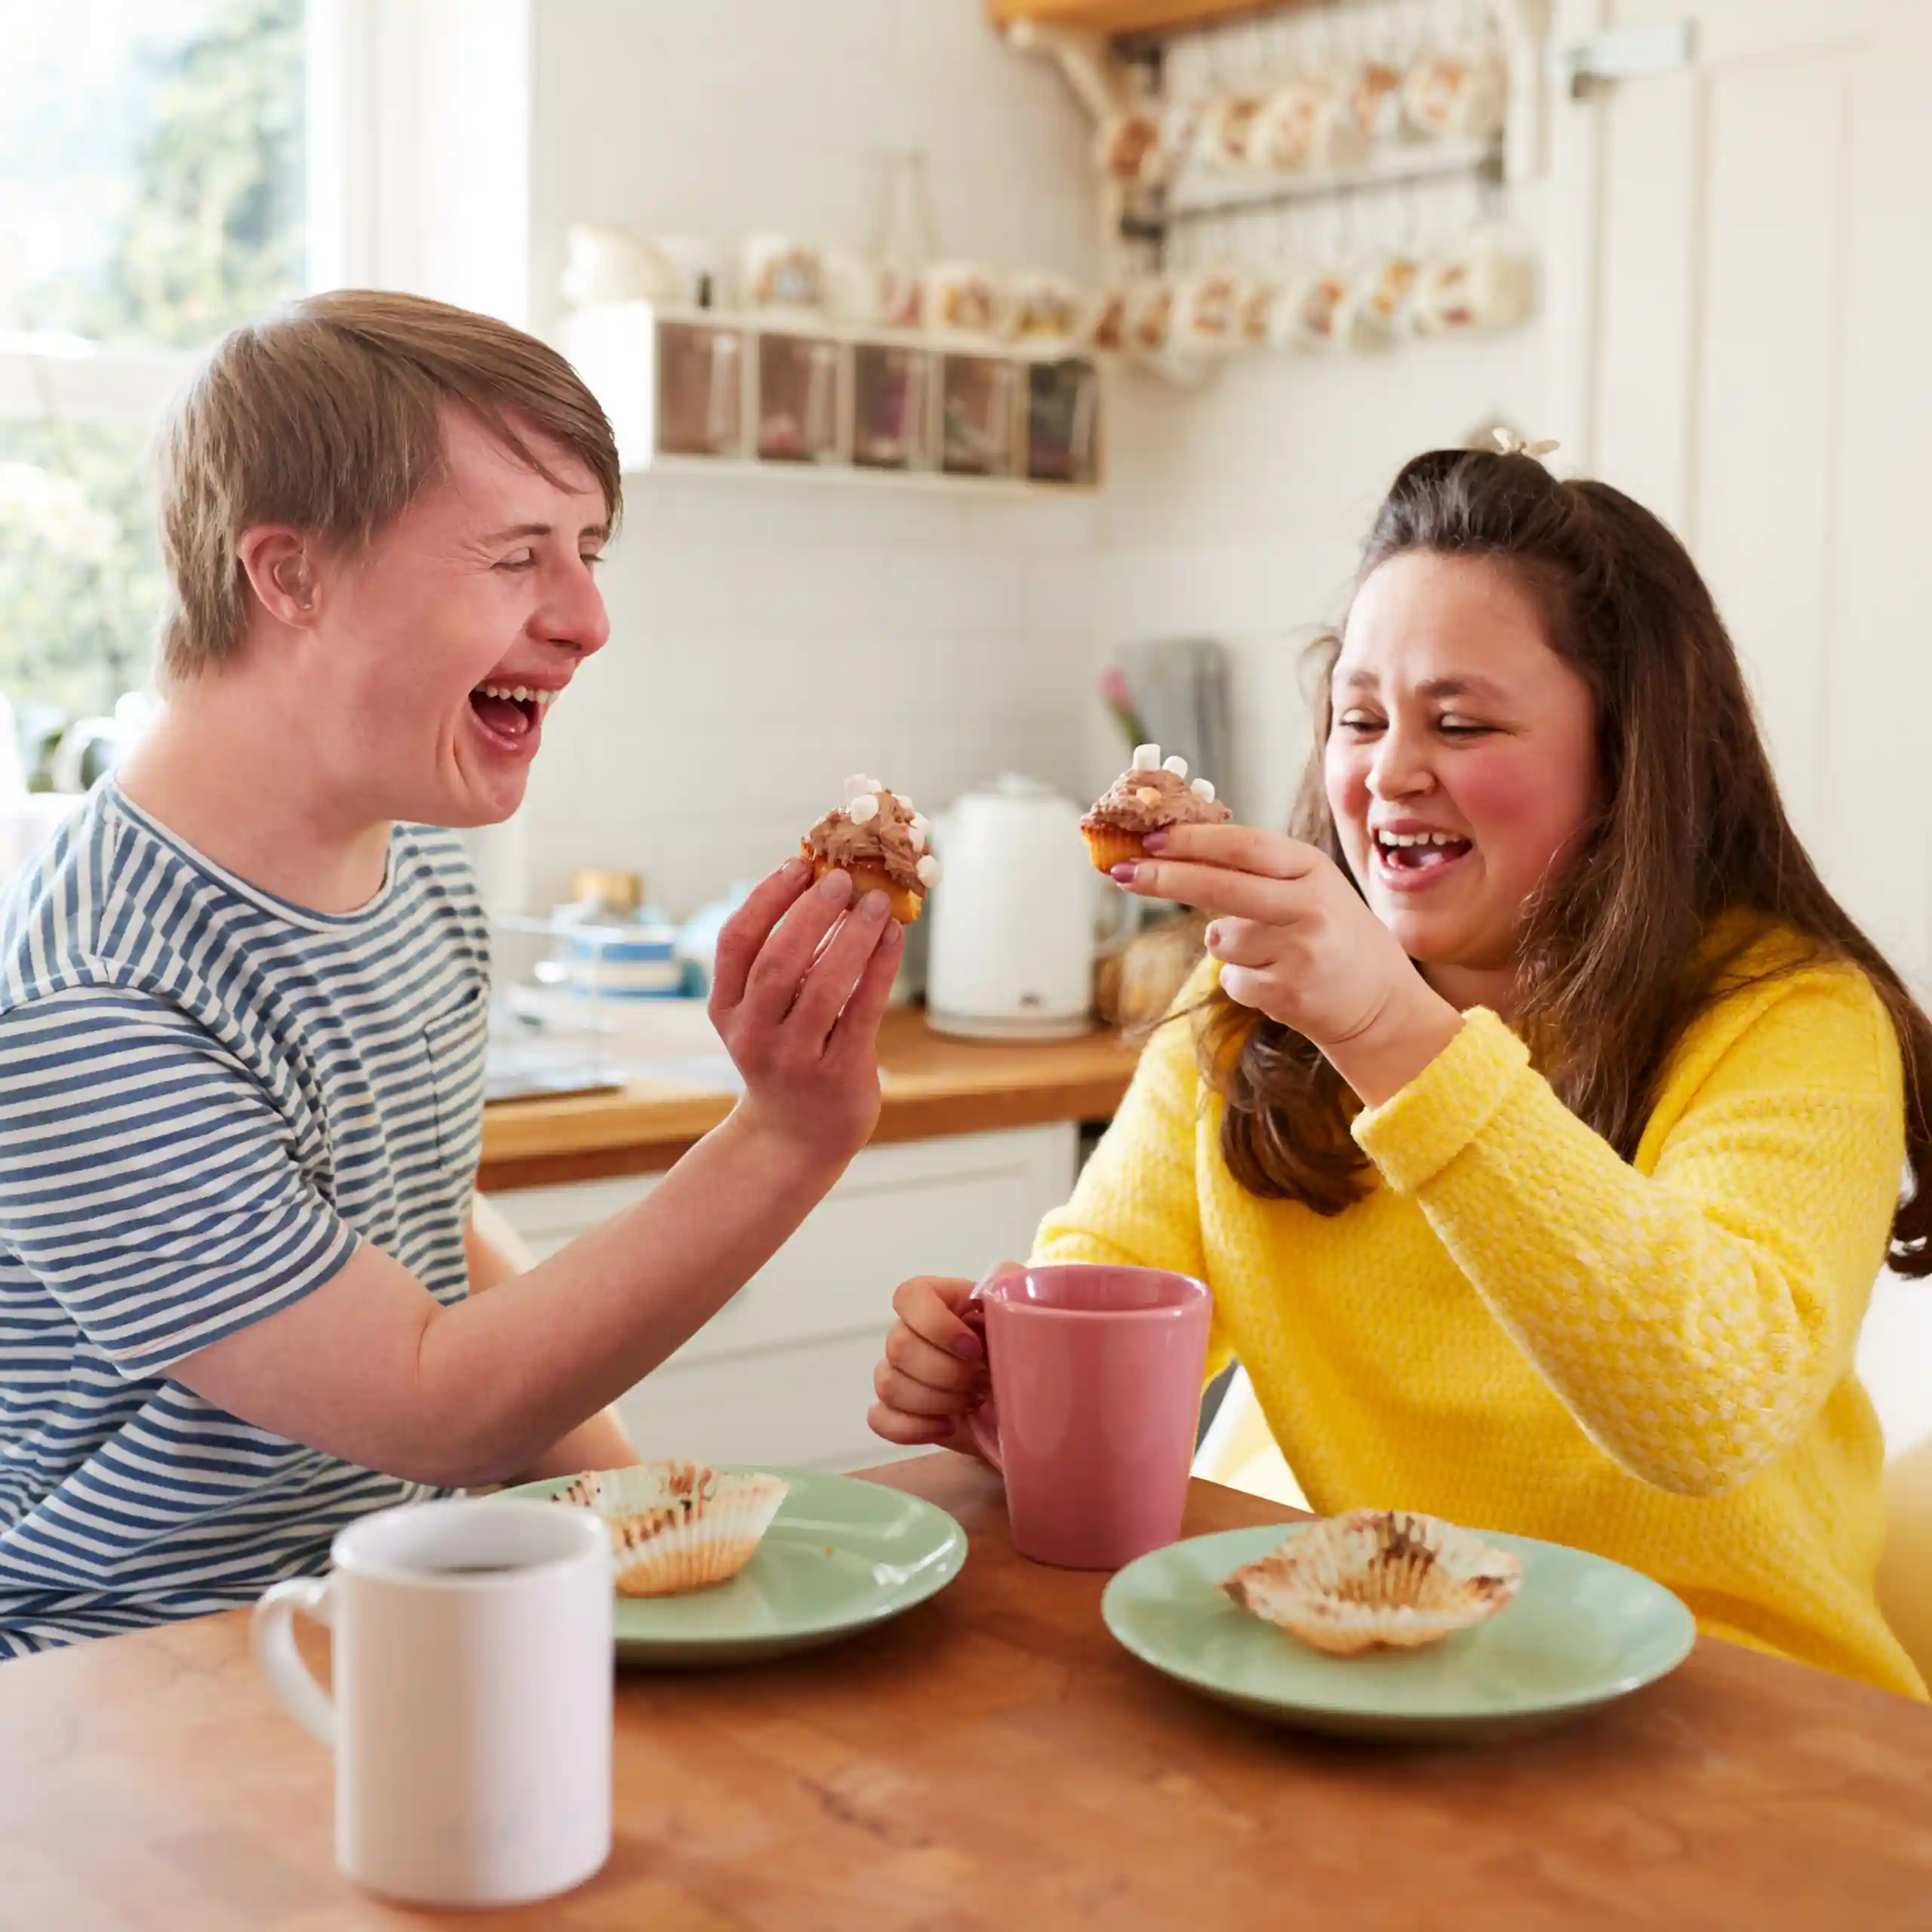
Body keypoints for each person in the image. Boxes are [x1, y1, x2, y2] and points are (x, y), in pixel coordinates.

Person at [869, 442, 1930, 1700]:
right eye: (1361, 718)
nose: (1386, 773)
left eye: (1461, 722)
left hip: (1719, 1706)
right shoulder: (1246, 1003)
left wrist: (1385, 1032)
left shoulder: (1792, 1021)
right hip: (1338, 1663)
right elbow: (1112, 1293)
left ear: (1632, 758)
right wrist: (1013, 1385)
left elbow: (1708, 1413)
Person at [0, 291, 901, 1655]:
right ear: (289, 575)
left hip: (398, 1607)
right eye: (516, 556)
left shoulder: (412, 867)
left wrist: (626, 1511)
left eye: (590, 550)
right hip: (134, 1683)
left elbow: (428, 1235)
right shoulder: (95, 1005)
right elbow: (433, 1398)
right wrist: (787, 1134)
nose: (590, 618)